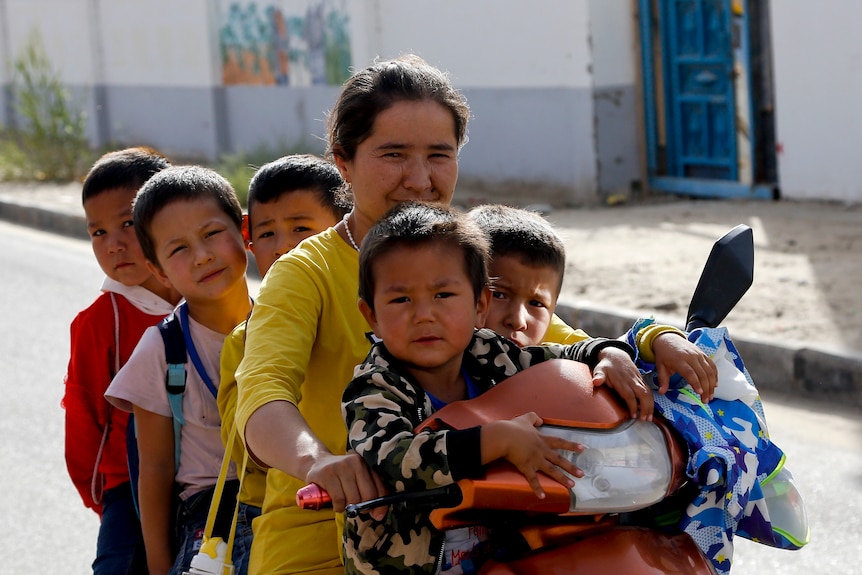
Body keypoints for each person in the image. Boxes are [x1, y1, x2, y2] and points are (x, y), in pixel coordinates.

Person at [234, 54, 652, 574]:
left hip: (476, 537)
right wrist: (318, 462)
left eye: (439, 155)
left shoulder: (464, 251)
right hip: (326, 540)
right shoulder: (305, 272)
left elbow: (551, 343)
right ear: (343, 161)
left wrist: (644, 345)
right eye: (393, 155)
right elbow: (262, 393)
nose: (419, 179)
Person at [341, 201, 640, 574]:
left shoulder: (488, 352)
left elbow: (555, 359)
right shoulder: (373, 388)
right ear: (371, 315)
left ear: (479, 304)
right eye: (401, 299)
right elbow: (397, 460)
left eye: (443, 295)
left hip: (490, 556)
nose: (423, 314)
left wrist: (606, 353)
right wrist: (494, 439)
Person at [105, 165, 252, 575]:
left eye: (211, 235)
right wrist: (158, 565)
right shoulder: (162, 348)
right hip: (210, 526)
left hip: (286, 506)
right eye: (178, 249)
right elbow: (153, 471)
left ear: (243, 231)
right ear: (157, 270)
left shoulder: (285, 326)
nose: (202, 255)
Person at [216, 154, 351, 574]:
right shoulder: (245, 338)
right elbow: (242, 448)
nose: (282, 246)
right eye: (267, 233)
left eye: (301, 229)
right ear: (248, 239)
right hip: (280, 518)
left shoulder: (379, 301)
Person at [62, 146, 180, 575]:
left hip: (212, 477)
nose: (114, 245)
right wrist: (106, 498)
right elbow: (84, 422)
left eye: (128, 224)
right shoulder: (99, 321)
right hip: (130, 488)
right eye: (98, 233)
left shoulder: (211, 298)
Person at [468, 203, 717, 401]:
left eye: (536, 303)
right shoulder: (441, 350)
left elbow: (604, 348)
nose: (518, 320)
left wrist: (661, 339)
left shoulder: (551, 336)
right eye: (499, 294)